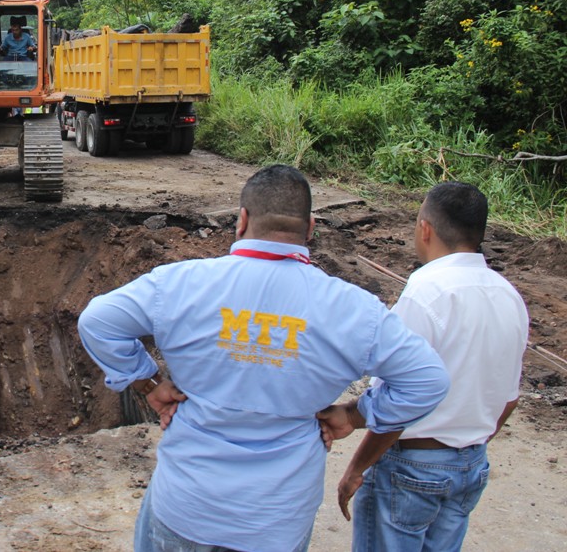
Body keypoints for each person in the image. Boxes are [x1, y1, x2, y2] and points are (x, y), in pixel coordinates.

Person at [77, 164, 450, 552]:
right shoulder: (354, 310)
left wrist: (147, 382)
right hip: (276, 521)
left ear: (241, 221)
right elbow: (428, 381)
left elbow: (97, 321)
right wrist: (354, 415)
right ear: (310, 229)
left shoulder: (178, 284)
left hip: (186, 506)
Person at [320, 181, 529, 551]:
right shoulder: (509, 296)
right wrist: (465, 449)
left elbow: (399, 399)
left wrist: (357, 465)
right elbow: (510, 399)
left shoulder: (426, 290)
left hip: (413, 467)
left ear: (425, 228)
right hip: (472, 464)